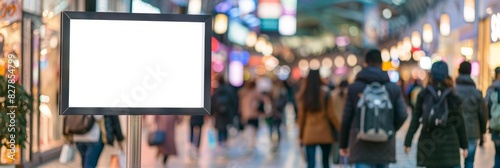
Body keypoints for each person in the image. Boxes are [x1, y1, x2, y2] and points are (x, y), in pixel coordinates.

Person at [339, 49, 407, 168]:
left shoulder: (354, 88)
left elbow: (346, 119)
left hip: (360, 145)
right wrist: (389, 129)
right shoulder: (393, 88)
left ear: (365, 63)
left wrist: (343, 144)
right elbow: (403, 114)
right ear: (381, 63)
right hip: (384, 145)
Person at [404, 61, 468, 168]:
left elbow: (415, 119)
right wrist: (464, 145)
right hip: (449, 147)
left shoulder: (423, 94)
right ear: (447, 76)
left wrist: (408, 141)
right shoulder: (453, 96)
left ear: (431, 76)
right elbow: (459, 122)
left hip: (429, 147)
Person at [297, 70, 340, 168]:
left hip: (309, 133)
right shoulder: (326, 93)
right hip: (325, 132)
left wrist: (300, 136)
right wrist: (340, 128)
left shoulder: (304, 94)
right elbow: (331, 114)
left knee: (311, 164)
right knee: (326, 162)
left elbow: (301, 117)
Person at [455, 61, 486, 168]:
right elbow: (482, 113)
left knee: (455, 161)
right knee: (469, 162)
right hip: (472, 131)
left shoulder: (453, 90)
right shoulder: (476, 92)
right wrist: (483, 131)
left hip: (455, 130)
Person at [212, 76, 238, 148]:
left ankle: (220, 143)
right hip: (227, 113)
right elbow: (233, 102)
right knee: (225, 128)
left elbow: (213, 102)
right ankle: (224, 142)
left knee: (220, 128)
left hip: (218, 114)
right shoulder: (229, 90)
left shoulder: (216, 91)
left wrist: (211, 113)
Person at [238, 79, 262, 148]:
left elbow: (241, 105)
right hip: (254, 114)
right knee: (254, 130)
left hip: (246, 115)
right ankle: (252, 143)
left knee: (248, 129)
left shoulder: (242, 93)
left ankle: (249, 143)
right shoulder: (255, 93)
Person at [330, 80, 349, 165]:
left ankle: (337, 161)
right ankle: (345, 162)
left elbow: (331, 111)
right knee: (346, 145)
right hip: (346, 123)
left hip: (336, 123)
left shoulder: (333, 95)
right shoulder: (349, 94)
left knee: (337, 144)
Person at [485, 67, 500, 168]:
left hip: (495, 124)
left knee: (498, 152)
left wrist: (489, 121)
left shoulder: (491, 89)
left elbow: (486, 106)